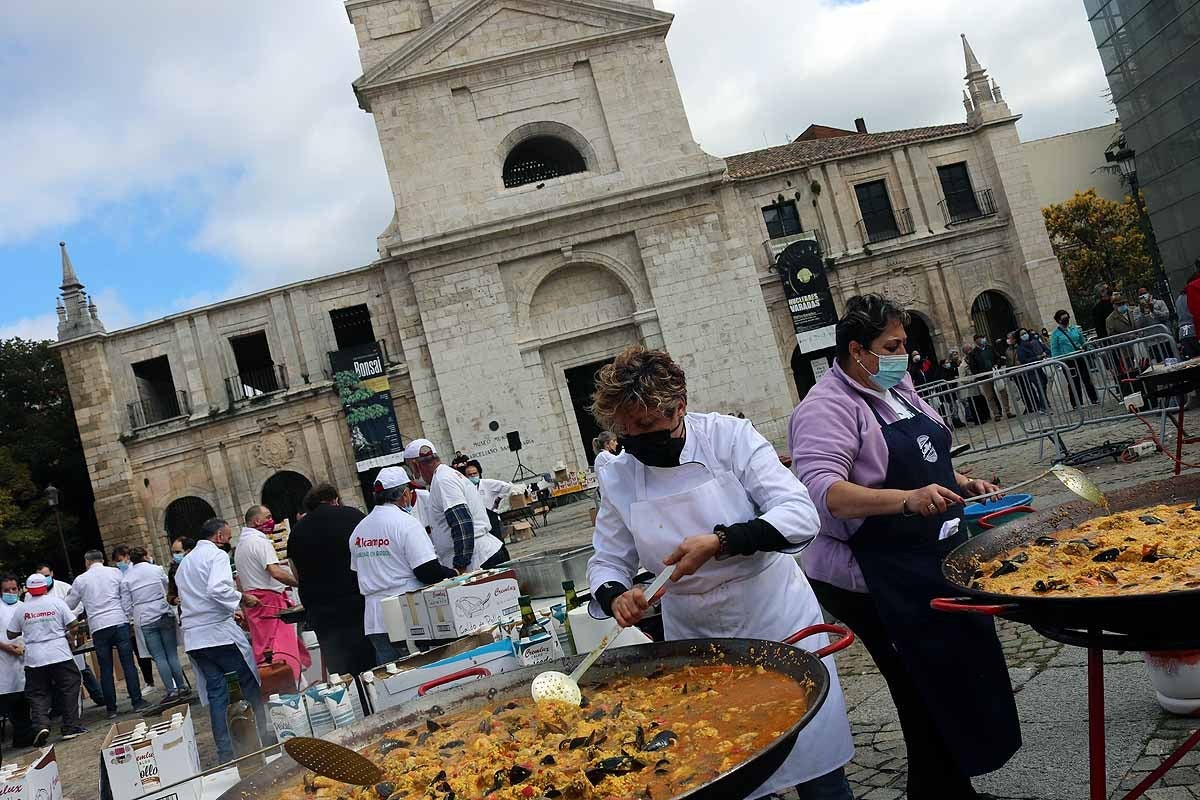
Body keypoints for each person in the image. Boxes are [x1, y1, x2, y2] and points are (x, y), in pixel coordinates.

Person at [586, 345, 853, 800]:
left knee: (812, 759)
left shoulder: (730, 439)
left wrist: (722, 542)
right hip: (696, 632)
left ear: (680, 407)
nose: (638, 439)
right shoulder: (618, 474)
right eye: (627, 430)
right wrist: (616, 594)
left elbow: (799, 514)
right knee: (728, 761)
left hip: (772, 614)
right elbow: (607, 559)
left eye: (650, 426)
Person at [790, 294, 1019, 799]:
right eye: (892, 346)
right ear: (857, 350)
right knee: (919, 683)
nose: (905, 356)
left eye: (905, 344)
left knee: (955, 673)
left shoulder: (898, 386)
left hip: (931, 555)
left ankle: (947, 786)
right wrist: (907, 500)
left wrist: (961, 482)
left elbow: (925, 457)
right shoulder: (825, 408)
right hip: (873, 572)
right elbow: (822, 493)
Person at [177, 517, 269, 764]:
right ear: (218, 536)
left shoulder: (185, 562)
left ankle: (226, 753)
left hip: (196, 638)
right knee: (247, 685)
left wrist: (229, 610)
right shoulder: (216, 556)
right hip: (217, 636)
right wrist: (242, 598)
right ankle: (262, 740)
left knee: (218, 694)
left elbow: (197, 598)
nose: (228, 542)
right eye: (228, 538)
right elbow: (217, 589)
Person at [350, 466, 457, 664]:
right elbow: (427, 570)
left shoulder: (359, 530)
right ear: (405, 494)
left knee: (391, 680)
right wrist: (454, 574)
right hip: (408, 615)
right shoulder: (406, 523)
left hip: (375, 620)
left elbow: (357, 572)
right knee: (420, 674)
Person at [288, 483, 376, 678]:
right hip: (358, 604)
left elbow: (296, 574)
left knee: (341, 672)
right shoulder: (353, 516)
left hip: (322, 612)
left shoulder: (296, 532)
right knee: (370, 666)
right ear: (335, 499)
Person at [404, 439, 509, 573]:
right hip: (478, 556)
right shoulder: (445, 476)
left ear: (415, 465)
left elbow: (462, 522)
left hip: (477, 560)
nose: (412, 474)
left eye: (410, 468)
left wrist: (459, 567)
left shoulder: (443, 481)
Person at [67, 550, 147, 719]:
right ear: (102, 560)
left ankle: (111, 708)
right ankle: (137, 701)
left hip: (98, 626)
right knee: (128, 664)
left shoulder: (81, 580)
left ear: (87, 562)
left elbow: (70, 604)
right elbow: (124, 595)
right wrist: (126, 615)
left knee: (105, 668)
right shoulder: (115, 572)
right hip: (118, 620)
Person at [234, 506, 309, 684]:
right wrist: (301, 583)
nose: (271, 521)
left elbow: (239, 580)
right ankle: (292, 685)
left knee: (266, 648)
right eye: (267, 517)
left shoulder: (241, 545)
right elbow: (276, 572)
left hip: (254, 602)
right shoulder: (260, 542)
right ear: (256, 521)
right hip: (268, 600)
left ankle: (290, 684)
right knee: (281, 648)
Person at [8, 574, 87, 744]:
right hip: (59, 652)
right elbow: (74, 625)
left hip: (34, 657)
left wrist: (29, 626)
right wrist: (68, 635)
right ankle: (70, 726)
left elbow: (10, 633)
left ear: (27, 589)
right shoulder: (57, 603)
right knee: (69, 686)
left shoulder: (22, 609)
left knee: (37, 693)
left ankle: (41, 724)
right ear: (45, 587)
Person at [120, 547, 189, 701]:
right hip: (163, 612)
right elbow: (168, 587)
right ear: (145, 556)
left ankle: (171, 690)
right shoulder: (156, 570)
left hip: (144, 618)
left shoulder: (126, 578)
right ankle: (182, 686)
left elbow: (126, 605)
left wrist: (133, 616)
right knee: (172, 654)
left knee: (159, 657)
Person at [0, 576, 34, 748]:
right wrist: (9, 648)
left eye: (14, 589)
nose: (11, 593)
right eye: (7, 590)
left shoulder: (24, 607)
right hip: (5, 660)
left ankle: (26, 734)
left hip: (25, 658)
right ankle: (21, 736)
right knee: (12, 700)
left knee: (26, 698)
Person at [1049, 310, 1098, 407]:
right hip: (1067, 360)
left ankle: (1094, 398)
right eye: (1063, 318)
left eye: (1066, 318)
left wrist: (1088, 350)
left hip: (1079, 357)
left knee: (1086, 378)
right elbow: (1054, 348)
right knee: (1073, 381)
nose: (1066, 320)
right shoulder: (1055, 334)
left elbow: (1082, 341)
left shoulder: (1074, 329)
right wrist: (1057, 361)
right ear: (1058, 320)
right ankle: (1076, 402)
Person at [462, 459, 512, 539]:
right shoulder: (465, 488)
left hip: (491, 516)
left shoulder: (487, 483)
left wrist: (498, 499)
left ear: (479, 473)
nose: (472, 476)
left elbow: (507, 486)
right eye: (469, 475)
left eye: (475, 473)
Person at [967, 334, 1004, 420]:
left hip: (995, 372)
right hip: (984, 376)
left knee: (1002, 390)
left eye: (982, 338)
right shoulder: (973, 353)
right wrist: (980, 375)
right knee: (990, 395)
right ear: (976, 341)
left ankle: (1007, 410)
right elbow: (973, 367)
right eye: (980, 338)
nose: (982, 340)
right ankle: (996, 413)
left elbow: (997, 357)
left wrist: (997, 365)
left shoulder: (990, 348)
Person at [1015, 327, 1051, 413]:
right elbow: (1023, 360)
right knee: (1040, 385)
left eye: (1025, 333)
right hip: (1031, 370)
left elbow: (1046, 349)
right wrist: (1036, 358)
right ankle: (1043, 406)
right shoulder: (1020, 348)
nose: (1025, 335)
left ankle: (1044, 403)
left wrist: (1045, 353)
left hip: (1040, 367)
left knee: (1044, 383)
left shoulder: (1035, 341)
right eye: (1022, 334)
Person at [167, 536, 195, 609]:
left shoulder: (201, 566)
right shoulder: (173, 570)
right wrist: (173, 599)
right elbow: (171, 592)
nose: (175, 555)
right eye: (173, 552)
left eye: (178, 552)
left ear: (188, 551)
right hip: (185, 611)